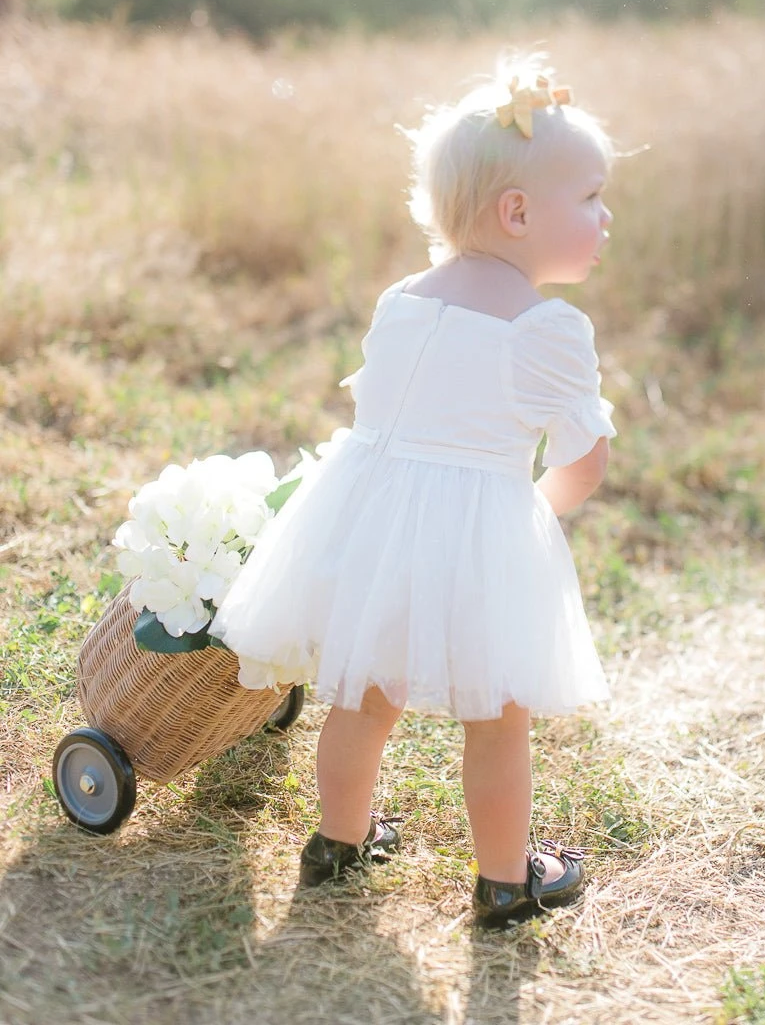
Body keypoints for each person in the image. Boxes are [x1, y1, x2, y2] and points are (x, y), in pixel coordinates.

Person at [209, 58, 617, 927]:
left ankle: (339, 844)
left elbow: (387, 423)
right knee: (500, 721)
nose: (604, 216)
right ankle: (507, 881)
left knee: (363, 694)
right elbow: (585, 463)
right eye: (589, 198)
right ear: (518, 213)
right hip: (478, 539)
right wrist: (534, 517)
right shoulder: (545, 331)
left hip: (370, 530)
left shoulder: (401, 300)